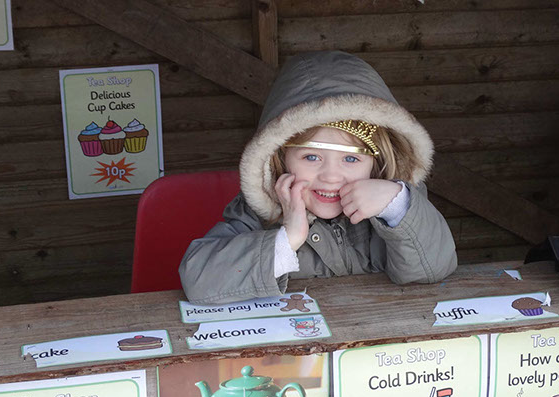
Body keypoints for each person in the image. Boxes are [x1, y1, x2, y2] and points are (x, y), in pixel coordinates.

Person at [179, 51, 457, 304]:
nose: (331, 176)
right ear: (279, 157)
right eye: (311, 157)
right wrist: (288, 238)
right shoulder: (257, 214)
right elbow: (197, 279)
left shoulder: (399, 203)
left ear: (377, 162)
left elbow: (435, 268)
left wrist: (397, 206)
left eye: (351, 158)